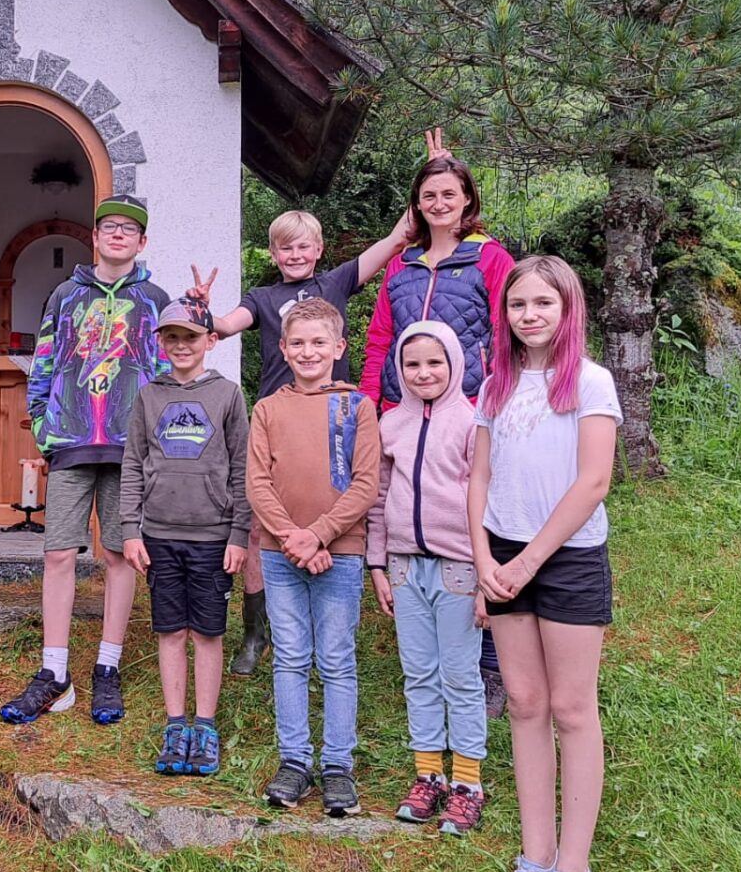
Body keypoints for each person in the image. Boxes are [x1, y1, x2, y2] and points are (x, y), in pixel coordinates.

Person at [183, 127, 441, 679]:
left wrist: (434, 171)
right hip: (278, 415)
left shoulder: (339, 282)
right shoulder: (263, 296)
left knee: (341, 506)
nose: (296, 254)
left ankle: (331, 620)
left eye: (305, 246)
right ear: (272, 253)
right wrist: (203, 312)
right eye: (285, 247)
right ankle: (256, 631)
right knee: (259, 521)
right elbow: (226, 327)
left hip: (336, 416)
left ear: (318, 250)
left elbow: (399, 237)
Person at [470, 256, 620, 872]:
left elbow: (592, 483)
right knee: (524, 705)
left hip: (567, 562)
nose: (528, 316)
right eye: (517, 305)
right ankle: (535, 857)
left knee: (570, 709)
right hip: (502, 560)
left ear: (568, 310)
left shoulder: (590, 383)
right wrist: (483, 558)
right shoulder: (496, 386)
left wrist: (530, 560)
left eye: (542, 304)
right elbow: (479, 477)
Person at [0, 193, 170, 726]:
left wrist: (155, 440)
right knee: (58, 555)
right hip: (71, 440)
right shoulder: (65, 295)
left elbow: (166, 370)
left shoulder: (154, 299)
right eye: (108, 227)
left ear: (142, 242)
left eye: (129, 229)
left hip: (130, 447)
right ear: (94, 238)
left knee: (119, 554)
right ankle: (55, 673)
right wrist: (44, 425)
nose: (117, 235)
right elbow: (44, 359)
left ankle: (107, 666)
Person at [359, 151, 516, 720]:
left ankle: (491, 663)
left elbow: (506, 331)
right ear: (417, 205)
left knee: (480, 525)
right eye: (429, 195)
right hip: (405, 412)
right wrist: (371, 404)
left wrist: (497, 399)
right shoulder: (402, 266)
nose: (439, 203)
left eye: (450, 194)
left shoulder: (490, 258)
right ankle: (425, 638)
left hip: (470, 413)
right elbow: (381, 339)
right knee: (414, 517)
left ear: (468, 200)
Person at [246, 298, 380, 817]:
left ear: (339, 348)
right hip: (280, 557)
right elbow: (257, 482)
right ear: (282, 348)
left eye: (319, 342)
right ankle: (295, 761)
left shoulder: (356, 407)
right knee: (291, 657)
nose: (308, 351)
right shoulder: (268, 409)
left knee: (337, 659)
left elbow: (365, 483)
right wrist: (292, 538)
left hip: (340, 555)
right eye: (297, 343)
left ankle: (338, 766)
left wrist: (319, 536)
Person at [366, 322, 489, 835]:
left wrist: (488, 575)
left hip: (460, 568)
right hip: (403, 566)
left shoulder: (473, 422)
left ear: (455, 364)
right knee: (418, 674)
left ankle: (467, 784)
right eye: (412, 364)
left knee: (460, 676)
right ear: (400, 369)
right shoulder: (390, 423)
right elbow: (377, 497)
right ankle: (428, 775)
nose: (423, 373)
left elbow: (489, 501)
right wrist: (377, 563)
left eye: (434, 362)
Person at [119, 301, 249, 777]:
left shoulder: (228, 396)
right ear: (161, 343)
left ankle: (206, 725)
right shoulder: (149, 396)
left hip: (213, 536)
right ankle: (176, 724)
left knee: (208, 632)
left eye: (191, 337)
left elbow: (243, 467)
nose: (181, 346)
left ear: (211, 341)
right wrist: (129, 529)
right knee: (171, 630)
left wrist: (239, 533)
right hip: (159, 535)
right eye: (171, 338)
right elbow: (132, 463)